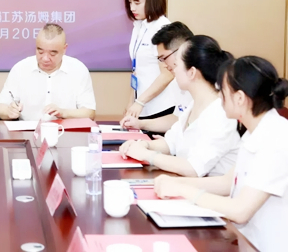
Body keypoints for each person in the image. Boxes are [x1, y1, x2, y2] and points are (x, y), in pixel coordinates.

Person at [154, 56, 288, 252]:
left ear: (240, 98)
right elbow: (227, 182)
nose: (219, 97)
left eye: (222, 91)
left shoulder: (276, 138)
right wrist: (175, 183)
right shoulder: (255, 130)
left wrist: (184, 190)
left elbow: (240, 210)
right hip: (245, 240)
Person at [120, 36, 239, 177]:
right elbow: (171, 143)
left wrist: (147, 155)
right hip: (185, 184)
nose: (173, 70)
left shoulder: (221, 113)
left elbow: (193, 168)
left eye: (177, 65)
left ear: (192, 72)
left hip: (206, 189)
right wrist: (142, 144)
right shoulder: (193, 104)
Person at [0, 23, 96, 121]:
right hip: (27, 130)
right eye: (40, 51)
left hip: (65, 130)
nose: (45, 58)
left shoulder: (78, 70)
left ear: (64, 49)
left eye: (52, 53)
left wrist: (63, 113)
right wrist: (8, 111)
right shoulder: (20, 69)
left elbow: (89, 113)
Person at [121, 0, 180, 123]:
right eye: (130, 2)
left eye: (137, 2)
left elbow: (168, 74)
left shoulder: (163, 28)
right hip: (142, 106)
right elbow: (137, 71)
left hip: (161, 107)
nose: (132, 8)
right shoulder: (138, 26)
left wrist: (140, 102)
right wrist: (131, 102)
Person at [121, 21, 194, 134]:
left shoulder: (206, 85)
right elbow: (177, 119)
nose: (164, 65)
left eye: (164, 58)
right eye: (160, 60)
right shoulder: (179, 82)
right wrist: (139, 124)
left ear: (181, 50)